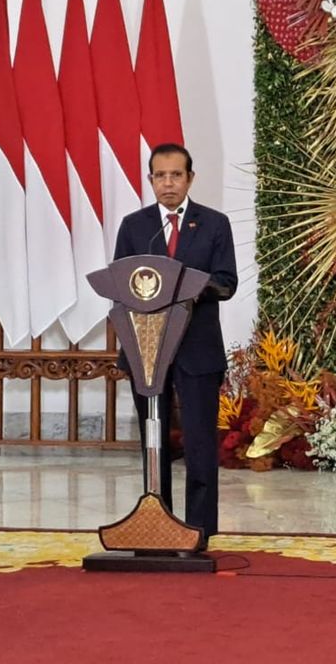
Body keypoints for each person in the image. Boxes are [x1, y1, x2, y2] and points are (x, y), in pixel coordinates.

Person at [113, 142, 237, 543]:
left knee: (200, 441)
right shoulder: (135, 226)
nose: (168, 183)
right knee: (154, 439)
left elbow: (227, 283)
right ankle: (157, 520)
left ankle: (200, 528)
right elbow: (119, 284)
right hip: (146, 349)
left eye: (176, 175)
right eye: (160, 176)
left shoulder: (214, 223)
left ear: (190, 178)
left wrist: (188, 287)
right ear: (150, 180)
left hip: (196, 347)